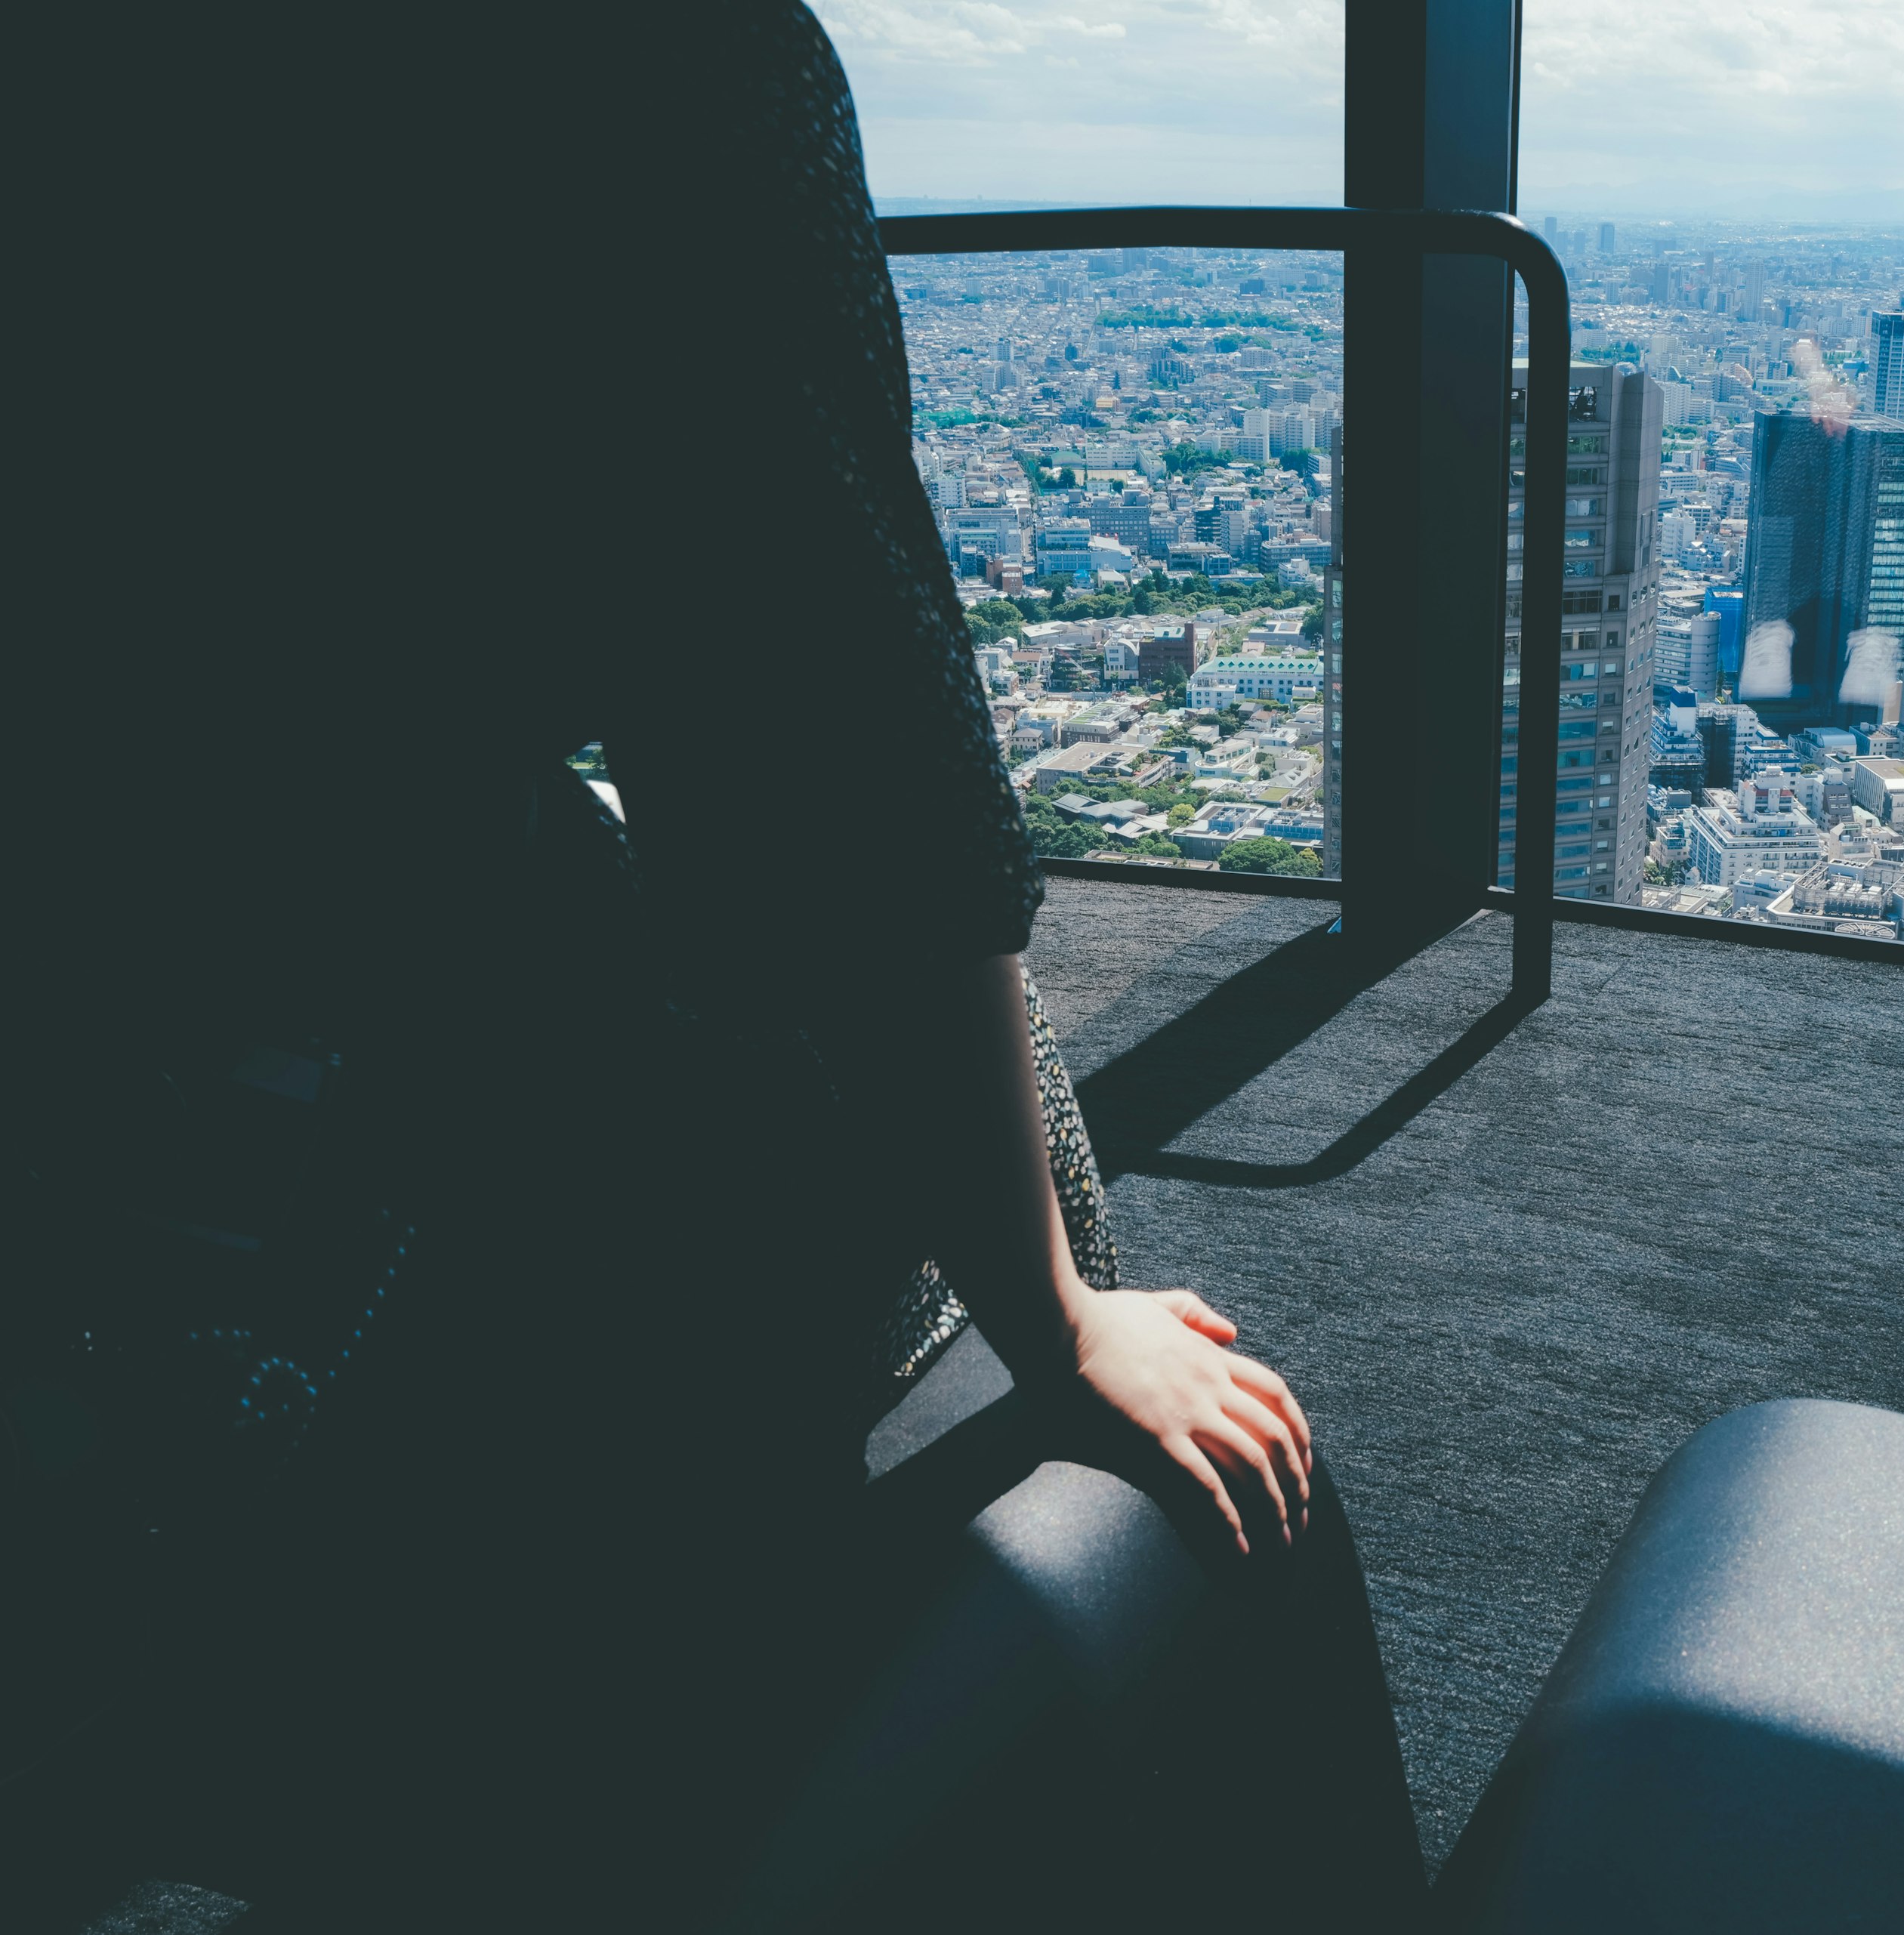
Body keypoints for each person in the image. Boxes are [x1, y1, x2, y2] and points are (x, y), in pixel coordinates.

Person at [19, 3, 1421, 1926]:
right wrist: (1055, 1313)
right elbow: (840, 777)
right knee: (999, 1175)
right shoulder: (648, 58)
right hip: (349, 1092)